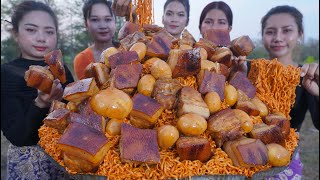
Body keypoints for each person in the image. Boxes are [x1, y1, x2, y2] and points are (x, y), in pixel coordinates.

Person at [1, 1, 74, 179]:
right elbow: (18, 136)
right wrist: (41, 102)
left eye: (49, 31)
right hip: (28, 167)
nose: (41, 38)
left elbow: (75, 113)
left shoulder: (61, 70)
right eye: (31, 30)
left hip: (65, 161)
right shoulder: (6, 73)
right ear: (16, 34)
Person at [260, 5, 319, 179]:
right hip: (247, 155)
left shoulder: (306, 76)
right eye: (270, 32)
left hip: (286, 158)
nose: (278, 38)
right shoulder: (248, 69)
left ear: (300, 34)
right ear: (262, 36)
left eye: (287, 31)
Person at [73, 0, 119, 80]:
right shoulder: (81, 59)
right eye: (95, 20)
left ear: (115, 22)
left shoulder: (128, 50)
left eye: (108, 19)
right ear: (86, 24)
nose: (103, 26)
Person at [198, 1, 247, 73]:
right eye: (208, 22)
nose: (214, 28)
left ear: (229, 29)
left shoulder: (238, 61)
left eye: (221, 22)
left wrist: (241, 73)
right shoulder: (187, 56)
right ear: (200, 27)